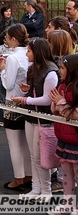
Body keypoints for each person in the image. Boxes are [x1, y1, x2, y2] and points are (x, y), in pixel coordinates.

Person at [11, 38, 59, 199]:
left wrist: (24, 100)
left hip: (44, 120)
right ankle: (36, 189)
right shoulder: (33, 69)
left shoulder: (51, 72)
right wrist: (28, 91)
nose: (26, 53)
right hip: (31, 116)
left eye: (29, 51)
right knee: (33, 155)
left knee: (40, 157)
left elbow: (47, 99)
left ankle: (46, 191)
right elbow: (36, 93)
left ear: (38, 52)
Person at [0, 23, 31, 191]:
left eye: (7, 39)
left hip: (13, 102)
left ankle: (19, 178)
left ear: (13, 39)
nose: (6, 42)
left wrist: (3, 70)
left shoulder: (13, 57)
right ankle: (29, 175)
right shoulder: (29, 53)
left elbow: (8, 83)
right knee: (27, 142)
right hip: (28, 100)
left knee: (14, 144)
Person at [50, 54, 78, 210]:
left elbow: (75, 114)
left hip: (75, 138)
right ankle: (66, 205)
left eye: (62, 67)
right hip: (63, 137)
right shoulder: (62, 86)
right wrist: (55, 104)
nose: (59, 70)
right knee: (67, 174)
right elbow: (56, 111)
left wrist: (61, 103)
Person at [0, 30, 14, 127]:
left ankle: (11, 117)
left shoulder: (15, 49)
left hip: (12, 75)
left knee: (11, 97)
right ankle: (1, 119)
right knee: (1, 97)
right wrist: (2, 64)